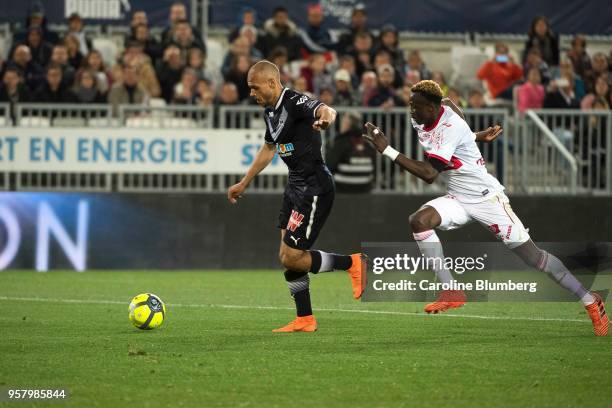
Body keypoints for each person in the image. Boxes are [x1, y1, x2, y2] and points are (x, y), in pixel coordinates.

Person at [362, 79, 608, 336]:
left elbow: (428, 174)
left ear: (433, 108)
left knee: (533, 258)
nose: (411, 110)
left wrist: (387, 150)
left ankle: (591, 300)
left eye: (417, 106)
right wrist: (476, 137)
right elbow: (453, 109)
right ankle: (451, 290)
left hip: (487, 199)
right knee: (419, 221)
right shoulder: (431, 113)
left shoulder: (449, 126)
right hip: (458, 197)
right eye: (411, 104)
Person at [227, 60, 365, 333]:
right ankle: (305, 318)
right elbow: (269, 148)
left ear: (271, 82)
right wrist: (245, 181)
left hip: (314, 187)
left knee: (293, 256)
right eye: (249, 89)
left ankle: (353, 263)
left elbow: (326, 109)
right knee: (286, 255)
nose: (252, 94)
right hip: (295, 186)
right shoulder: (270, 111)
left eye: (255, 88)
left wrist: (326, 118)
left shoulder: (294, 101)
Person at [326, 111, 376, 192]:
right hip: (365, 188)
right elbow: (374, 167)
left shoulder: (341, 142)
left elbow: (329, 166)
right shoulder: (367, 143)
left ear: (347, 124)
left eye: (343, 121)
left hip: (343, 189)